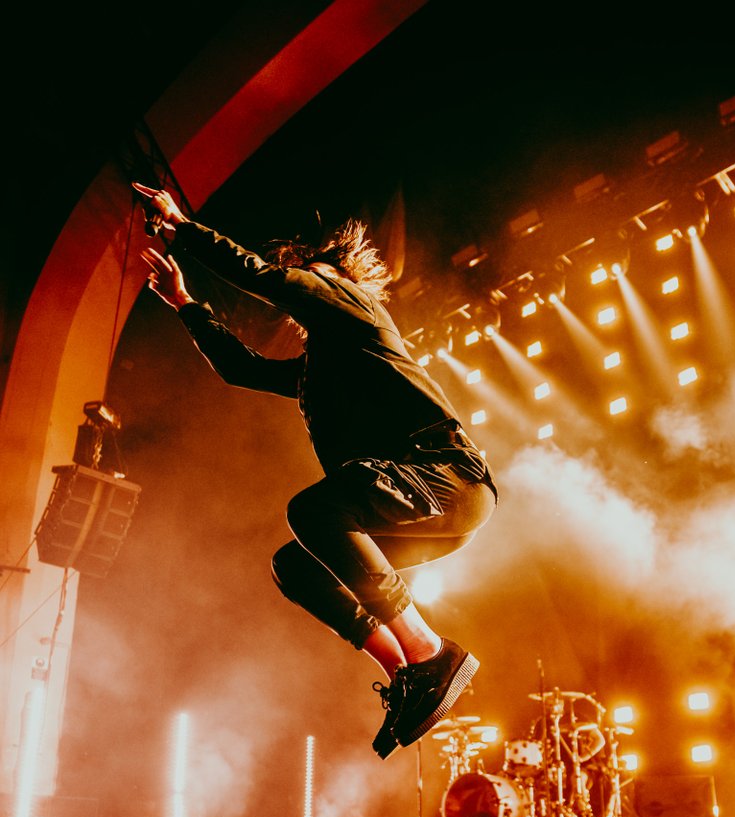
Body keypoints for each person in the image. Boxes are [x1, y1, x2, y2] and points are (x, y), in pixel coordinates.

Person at [132, 182, 498, 759]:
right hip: (414, 505)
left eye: (313, 277)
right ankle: (405, 669)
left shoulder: (358, 310)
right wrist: (185, 304)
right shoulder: (321, 367)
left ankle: (430, 651)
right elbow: (242, 369)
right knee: (295, 565)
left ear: (339, 279)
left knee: (314, 510)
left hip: (448, 478)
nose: (307, 287)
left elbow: (269, 280)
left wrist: (182, 227)